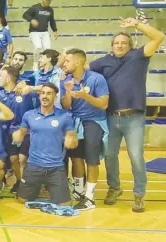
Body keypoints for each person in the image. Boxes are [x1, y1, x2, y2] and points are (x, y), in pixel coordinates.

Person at [89, 18, 165, 213]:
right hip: (110, 117)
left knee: (136, 157)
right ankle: (114, 188)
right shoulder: (104, 62)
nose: (120, 45)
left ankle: (139, 195)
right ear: (112, 46)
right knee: (109, 155)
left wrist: (137, 25)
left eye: (124, 43)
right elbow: (83, 69)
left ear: (130, 46)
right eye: (117, 43)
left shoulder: (139, 56)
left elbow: (159, 36)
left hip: (134, 118)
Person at [12, 83, 78, 206]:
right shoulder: (29, 115)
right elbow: (21, 132)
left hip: (56, 167)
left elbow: (72, 138)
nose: (45, 96)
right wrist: (17, 136)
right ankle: (37, 190)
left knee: (65, 204)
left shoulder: (65, 116)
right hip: (33, 166)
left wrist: (71, 140)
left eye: (49, 93)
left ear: (55, 97)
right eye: (43, 93)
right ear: (39, 96)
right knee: (22, 200)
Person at [60, 48, 109, 211]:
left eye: (67, 61)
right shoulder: (66, 80)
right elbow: (66, 105)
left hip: (94, 121)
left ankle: (90, 197)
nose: (64, 63)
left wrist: (85, 96)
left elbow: (104, 104)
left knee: (91, 159)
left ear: (78, 62)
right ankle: (79, 191)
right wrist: (67, 91)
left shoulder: (97, 79)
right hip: (74, 121)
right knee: (76, 158)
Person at [0, 66, 37, 194]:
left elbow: (48, 88)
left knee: (22, 159)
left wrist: (29, 87)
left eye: (1, 75)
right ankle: (20, 182)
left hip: (27, 131)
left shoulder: (25, 91)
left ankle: (28, 184)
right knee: (13, 159)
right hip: (8, 132)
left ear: (8, 78)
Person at [22, 0, 58, 66]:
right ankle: (35, 63)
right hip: (34, 32)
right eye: (47, 0)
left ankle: (46, 64)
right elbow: (25, 15)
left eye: (50, 0)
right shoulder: (35, 8)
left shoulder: (50, 10)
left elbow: (52, 21)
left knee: (48, 50)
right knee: (38, 46)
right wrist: (31, 20)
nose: (48, 2)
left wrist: (55, 30)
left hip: (44, 31)